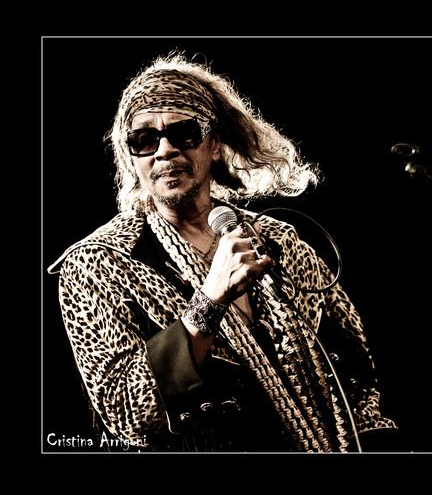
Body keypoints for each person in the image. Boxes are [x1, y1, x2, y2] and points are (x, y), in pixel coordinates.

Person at [48, 51, 396, 452]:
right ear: (131, 156)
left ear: (214, 144)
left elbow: (357, 367)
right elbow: (128, 412)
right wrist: (210, 300)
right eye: (144, 140)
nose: (165, 150)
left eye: (184, 133)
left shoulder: (281, 241)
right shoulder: (98, 263)